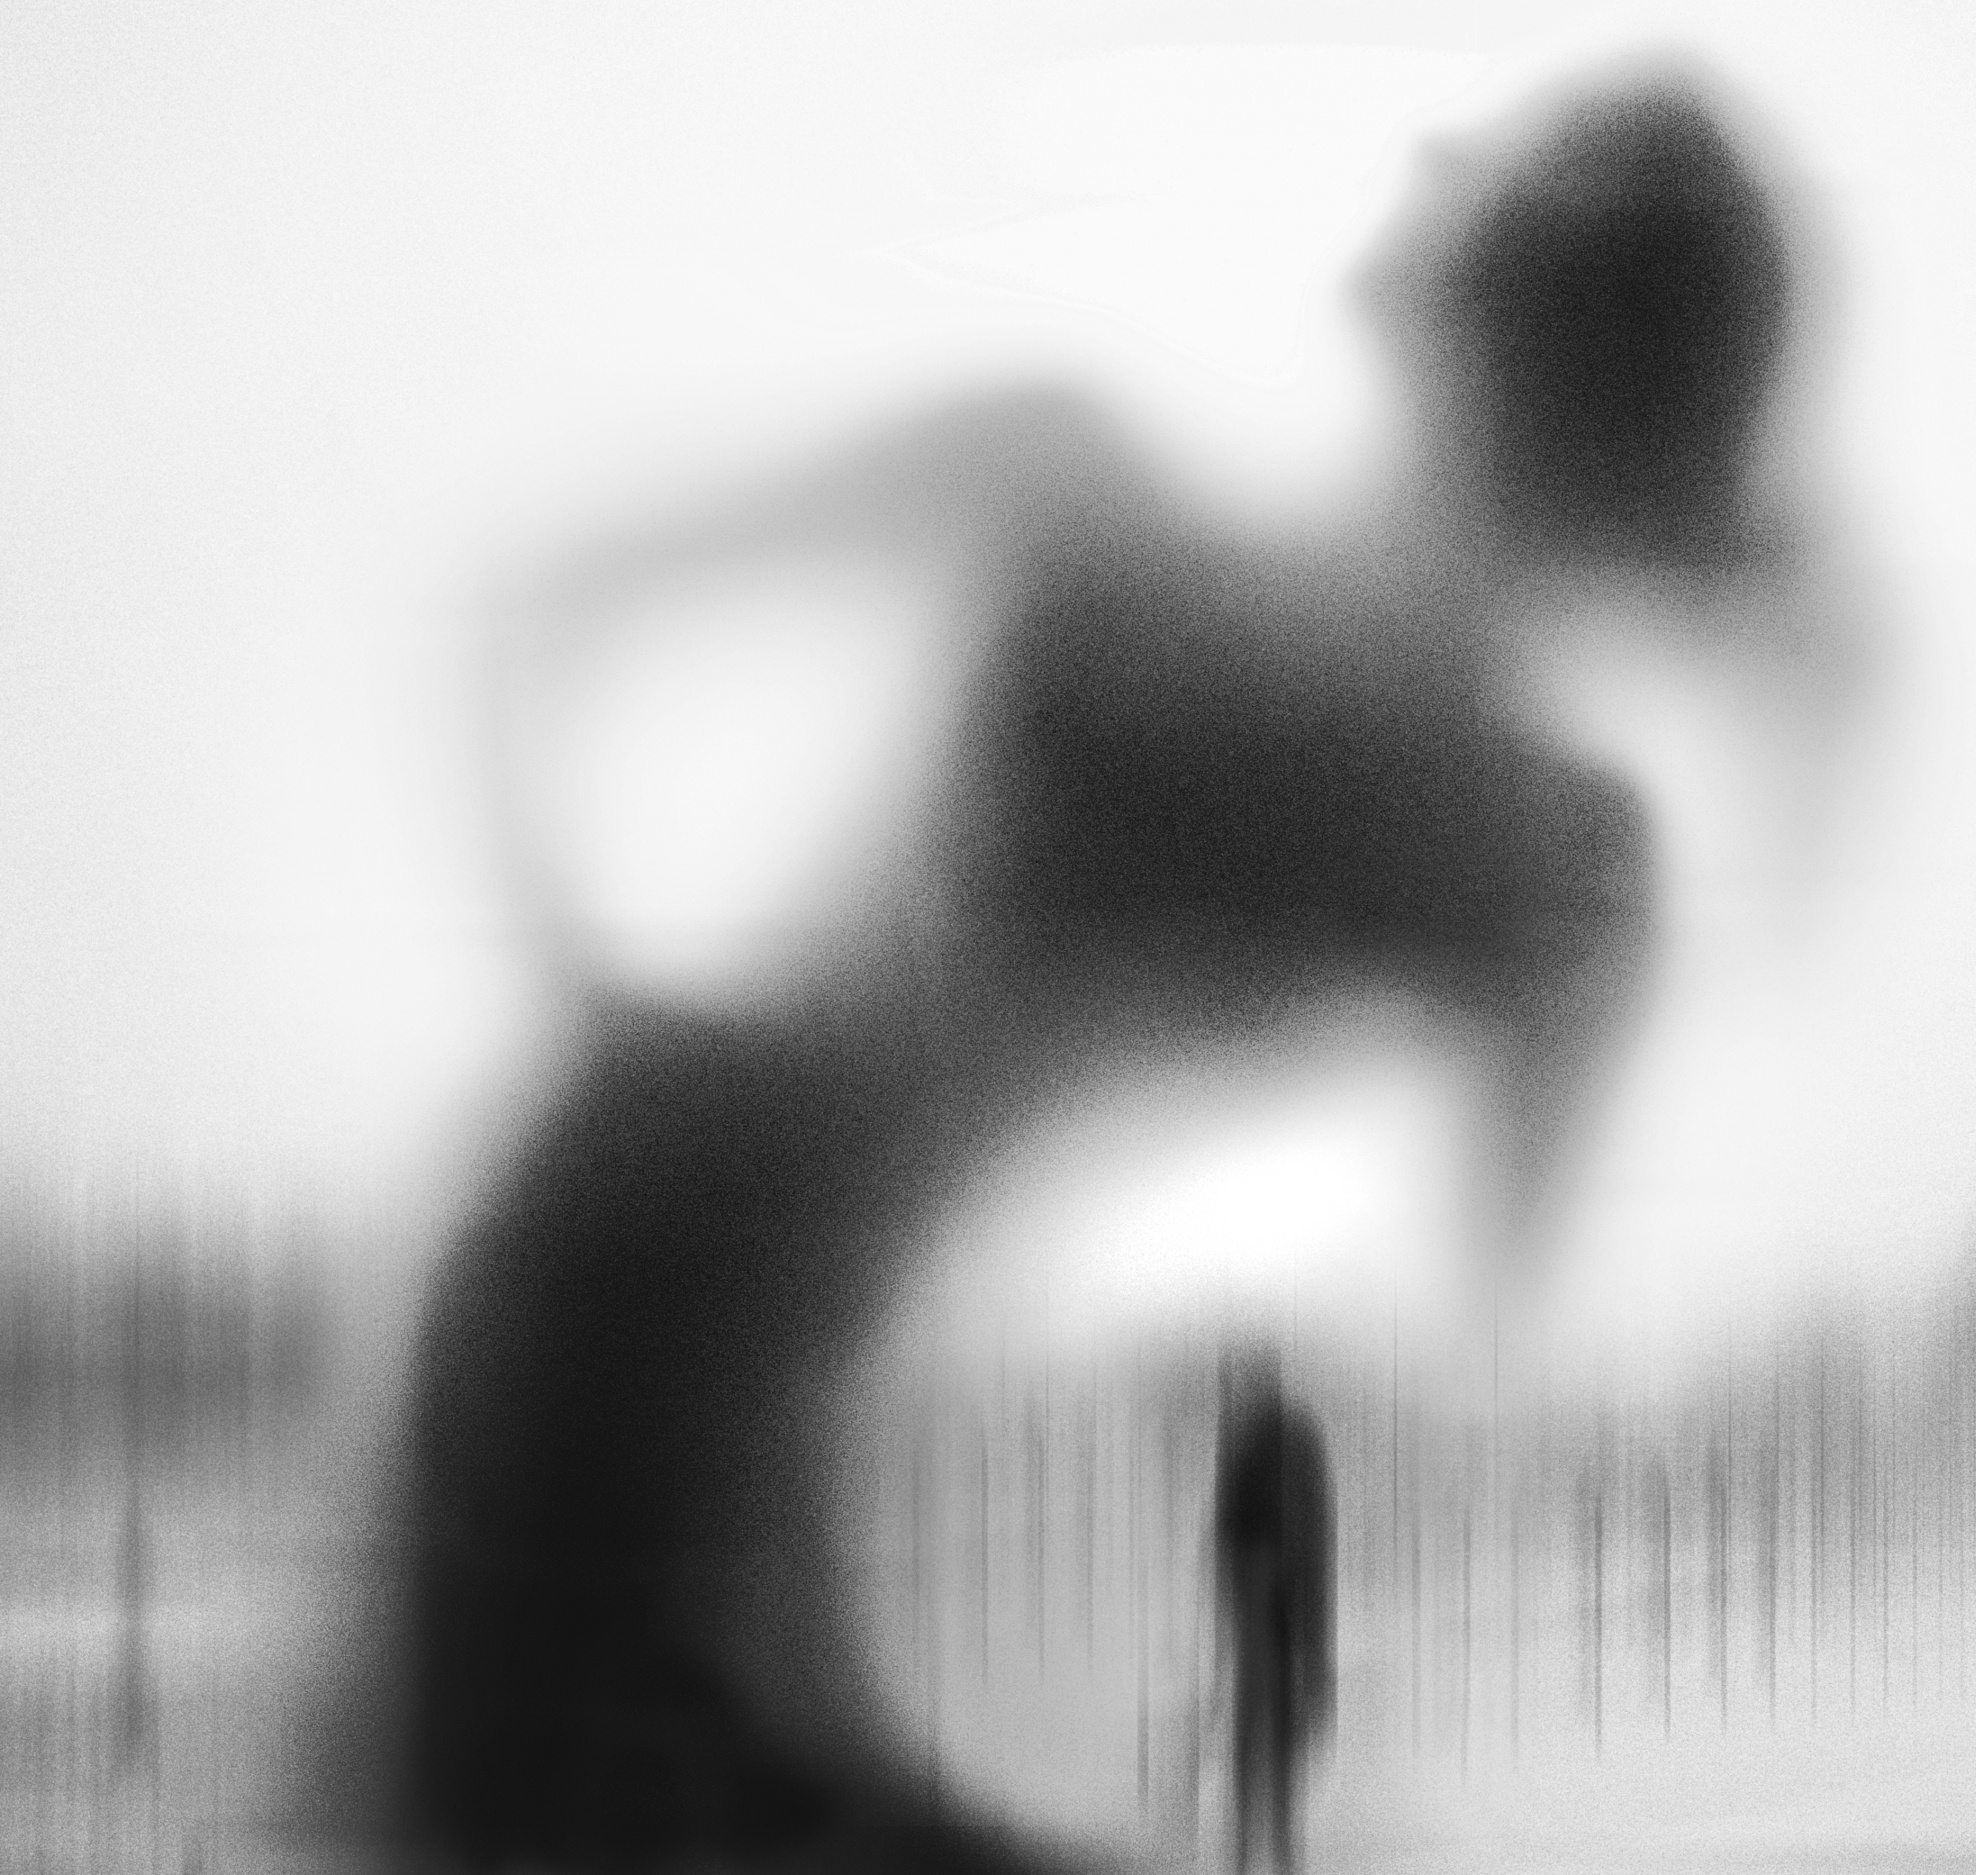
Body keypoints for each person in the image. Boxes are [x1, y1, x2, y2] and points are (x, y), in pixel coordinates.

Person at [361, 60, 1846, 1874]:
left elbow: (543, 599)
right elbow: (1477, 1319)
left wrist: (613, 1018)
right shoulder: (1532, 853)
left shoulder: (1512, 838)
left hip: (697, 1348)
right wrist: (619, 1025)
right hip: (610, 1356)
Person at [1212, 1344, 1334, 1875]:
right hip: (1265, 1610)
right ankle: (1257, 1850)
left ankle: (1272, 1850)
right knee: (1260, 1732)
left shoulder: (1282, 1445)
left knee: (1273, 1731)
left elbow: (1308, 1533)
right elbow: (1227, 1540)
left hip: (1279, 1606)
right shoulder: (1252, 1447)